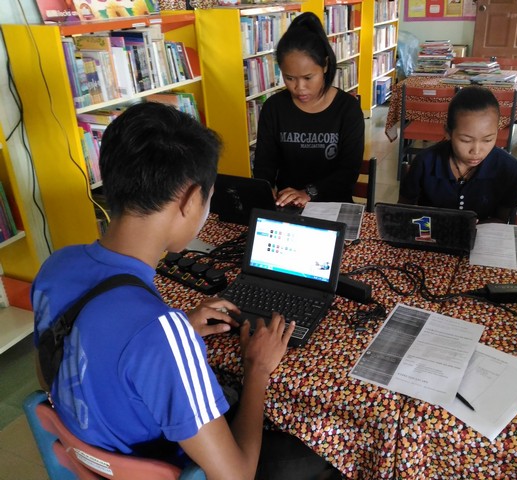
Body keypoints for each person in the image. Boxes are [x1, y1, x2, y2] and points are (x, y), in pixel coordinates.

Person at [31, 102, 340, 480]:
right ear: (191, 199)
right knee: (318, 451)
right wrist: (257, 369)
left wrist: (171, 333)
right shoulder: (160, 332)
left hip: (90, 453)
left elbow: (53, 367)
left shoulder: (55, 267)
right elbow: (237, 475)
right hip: (173, 467)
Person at [253, 11, 365, 208]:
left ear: (325, 66)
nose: (299, 88)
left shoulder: (348, 109)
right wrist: (265, 189)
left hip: (333, 206)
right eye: (289, 78)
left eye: (308, 78)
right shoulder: (274, 108)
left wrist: (308, 193)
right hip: (287, 205)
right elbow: (264, 164)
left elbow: (348, 172)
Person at [398, 86, 517, 223]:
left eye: (487, 140)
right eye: (465, 140)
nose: (476, 151)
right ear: (448, 132)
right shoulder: (425, 163)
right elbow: (401, 213)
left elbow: (501, 221)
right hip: (430, 234)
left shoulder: (508, 168)